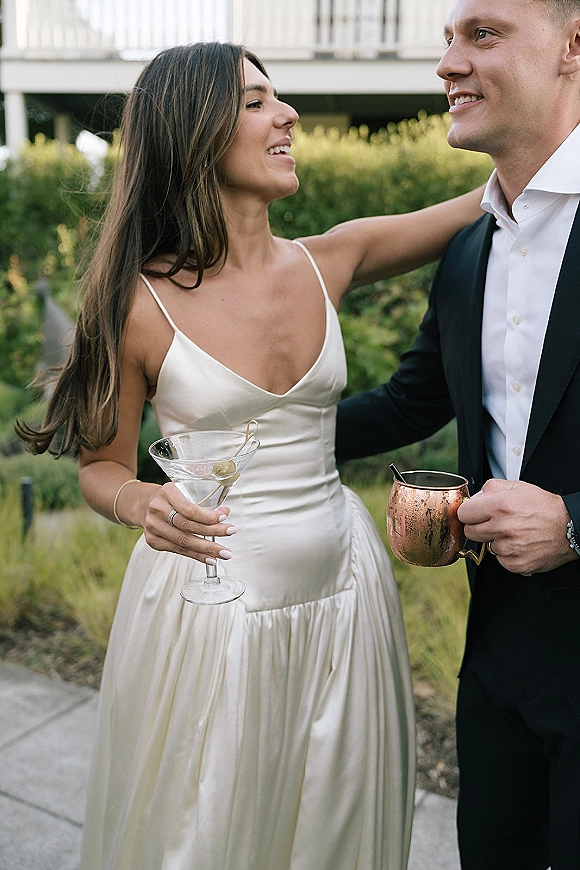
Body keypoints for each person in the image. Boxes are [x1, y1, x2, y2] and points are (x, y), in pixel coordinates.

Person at [17, 42, 484, 870]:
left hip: (346, 592)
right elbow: (100, 469)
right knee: (205, 836)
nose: (289, 114)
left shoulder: (331, 260)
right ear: (195, 132)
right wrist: (142, 502)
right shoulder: (138, 303)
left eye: (280, 97)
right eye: (258, 101)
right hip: (211, 609)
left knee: (334, 832)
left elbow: (491, 199)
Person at [336, 1, 580, 868]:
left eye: (483, 34)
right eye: (448, 39)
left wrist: (574, 521)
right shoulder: (470, 250)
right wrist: (244, 427)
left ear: (573, 46)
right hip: (500, 661)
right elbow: (408, 404)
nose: (447, 63)